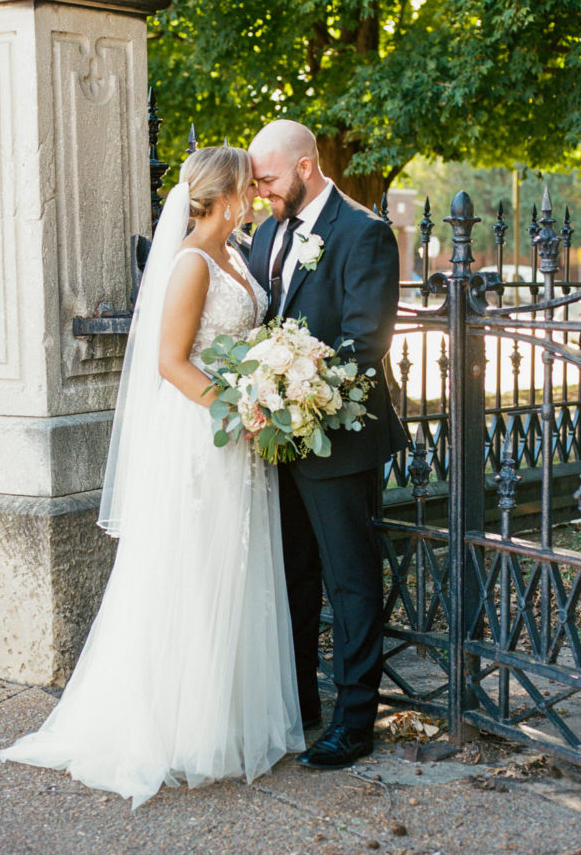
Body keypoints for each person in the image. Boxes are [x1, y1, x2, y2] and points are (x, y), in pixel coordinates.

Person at [0, 147, 304, 809]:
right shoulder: (192, 263)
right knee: (191, 570)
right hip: (201, 435)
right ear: (220, 195)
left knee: (234, 568)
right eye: (248, 188)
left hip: (236, 435)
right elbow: (170, 361)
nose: (255, 196)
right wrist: (240, 408)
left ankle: (225, 718)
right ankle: (177, 727)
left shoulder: (238, 253)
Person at [248, 120, 406, 770]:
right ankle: (302, 703)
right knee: (290, 574)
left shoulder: (364, 234)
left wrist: (297, 387)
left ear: (306, 166)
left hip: (340, 438)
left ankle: (355, 719)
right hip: (275, 441)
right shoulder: (263, 234)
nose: (260, 194)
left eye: (268, 180)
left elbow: (367, 342)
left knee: (350, 582)